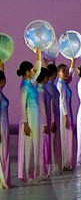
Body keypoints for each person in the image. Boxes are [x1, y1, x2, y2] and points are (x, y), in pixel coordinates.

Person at [17, 53, 44, 182]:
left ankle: (34, 172)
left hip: (35, 117)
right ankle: (27, 174)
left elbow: (38, 70)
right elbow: (22, 107)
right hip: (29, 118)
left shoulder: (29, 83)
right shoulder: (24, 87)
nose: (34, 72)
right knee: (28, 145)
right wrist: (25, 124)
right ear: (27, 72)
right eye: (32, 70)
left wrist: (38, 51)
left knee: (35, 144)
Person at [56, 63, 76, 171]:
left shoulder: (64, 82)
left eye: (67, 70)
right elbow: (62, 102)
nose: (66, 72)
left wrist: (73, 62)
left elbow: (71, 76)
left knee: (68, 136)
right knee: (65, 136)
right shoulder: (60, 84)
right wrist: (66, 117)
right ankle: (65, 162)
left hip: (67, 111)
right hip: (64, 113)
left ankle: (67, 161)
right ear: (58, 73)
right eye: (63, 71)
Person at [0, 65, 10, 189]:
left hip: (4, 124)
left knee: (4, 151)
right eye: (3, 80)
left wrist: (2, 63)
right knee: (1, 151)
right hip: (1, 126)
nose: (5, 82)